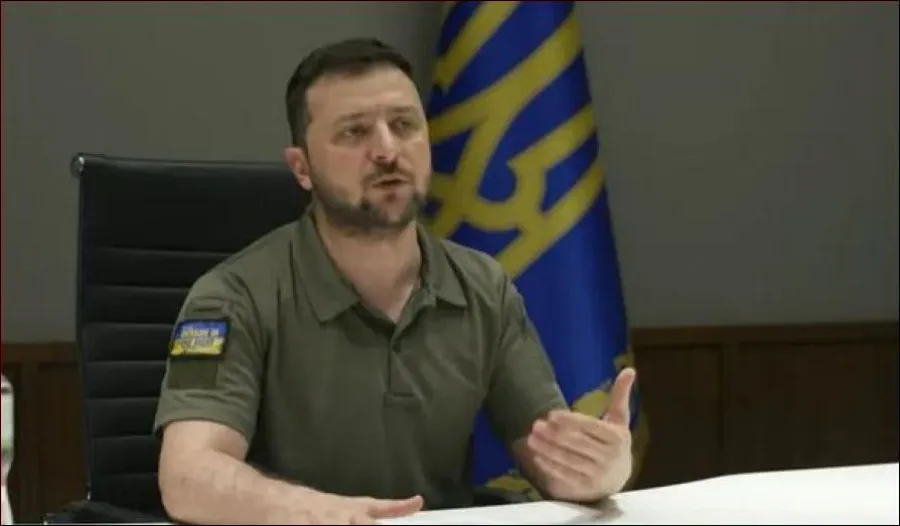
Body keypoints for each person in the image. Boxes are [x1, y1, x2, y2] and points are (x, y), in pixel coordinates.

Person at [153, 38, 636, 525]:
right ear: (302, 168)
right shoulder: (233, 297)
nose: (387, 150)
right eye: (354, 132)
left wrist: (600, 470)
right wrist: (325, 514)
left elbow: (552, 455)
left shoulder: (481, 287)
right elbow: (188, 477)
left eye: (404, 126)